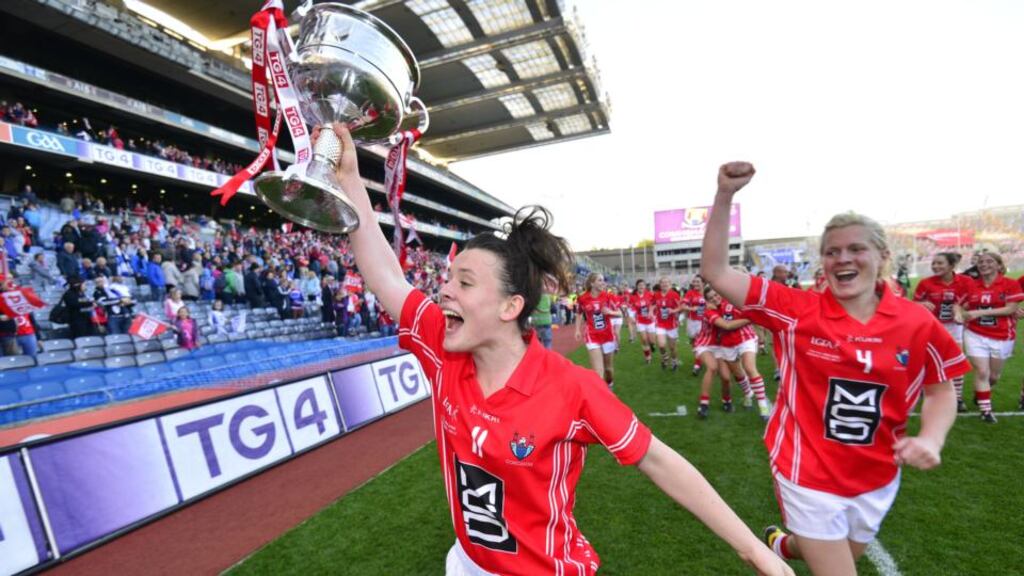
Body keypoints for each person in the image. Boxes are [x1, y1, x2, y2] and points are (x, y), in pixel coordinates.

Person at [321, 124, 791, 576]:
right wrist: (348, 179)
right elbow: (385, 274)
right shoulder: (443, 347)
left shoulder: (571, 388)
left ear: (511, 306)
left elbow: (659, 460)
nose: (443, 292)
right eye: (447, 279)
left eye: (463, 282)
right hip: (466, 564)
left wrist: (754, 550)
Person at [702, 161, 969, 576]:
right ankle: (795, 540)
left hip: (878, 474)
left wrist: (932, 438)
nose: (843, 258)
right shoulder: (795, 310)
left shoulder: (917, 322)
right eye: (832, 251)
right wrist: (724, 197)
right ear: (823, 263)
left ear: (882, 256)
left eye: (856, 249)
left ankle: (783, 544)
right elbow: (716, 272)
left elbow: (941, 389)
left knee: (848, 554)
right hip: (806, 471)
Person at [955, 250, 1022, 422]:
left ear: (999, 265)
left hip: (1002, 335)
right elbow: (958, 303)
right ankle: (986, 411)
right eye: (981, 262)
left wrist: (977, 312)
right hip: (975, 333)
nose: (984, 264)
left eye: (989, 261)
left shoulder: (1010, 284)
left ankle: (981, 393)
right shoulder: (971, 284)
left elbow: (1011, 309)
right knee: (982, 371)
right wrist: (958, 313)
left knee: (993, 376)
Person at [913, 252, 974, 411]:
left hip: (954, 327)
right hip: (931, 326)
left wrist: (960, 309)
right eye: (934, 263)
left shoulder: (966, 281)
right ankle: (922, 389)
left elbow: (972, 301)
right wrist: (922, 304)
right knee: (926, 360)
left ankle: (958, 398)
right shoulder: (925, 283)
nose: (935, 266)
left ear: (952, 266)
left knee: (956, 360)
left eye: (940, 263)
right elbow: (914, 304)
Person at [705, 287, 771, 420]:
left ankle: (763, 405)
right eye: (711, 297)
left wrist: (753, 317)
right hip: (726, 344)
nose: (715, 298)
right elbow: (726, 326)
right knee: (739, 375)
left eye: (716, 294)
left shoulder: (732, 301)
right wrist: (751, 319)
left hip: (746, 339)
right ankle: (748, 393)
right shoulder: (709, 311)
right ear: (707, 300)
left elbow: (751, 307)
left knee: (749, 368)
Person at [575, 273, 620, 386]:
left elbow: (620, 313)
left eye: (603, 280)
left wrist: (610, 312)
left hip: (607, 336)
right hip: (592, 336)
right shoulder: (582, 298)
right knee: (598, 374)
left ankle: (609, 385)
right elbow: (579, 313)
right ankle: (603, 395)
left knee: (608, 369)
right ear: (592, 283)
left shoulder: (608, 297)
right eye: (600, 280)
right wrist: (577, 330)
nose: (603, 282)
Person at [652, 276, 685, 370]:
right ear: (660, 284)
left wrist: (674, 311)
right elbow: (653, 304)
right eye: (662, 282)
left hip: (672, 325)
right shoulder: (656, 294)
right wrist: (651, 311)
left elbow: (681, 307)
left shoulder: (674, 294)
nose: (664, 284)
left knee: (672, 347)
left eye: (666, 282)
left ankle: (674, 361)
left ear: (670, 284)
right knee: (661, 345)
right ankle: (665, 357)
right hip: (660, 323)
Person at [680, 275, 707, 375]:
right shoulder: (690, 293)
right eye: (694, 282)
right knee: (693, 341)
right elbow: (683, 305)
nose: (695, 284)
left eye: (698, 282)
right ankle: (700, 358)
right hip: (692, 321)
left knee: (700, 342)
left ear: (703, 283)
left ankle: (697, 365)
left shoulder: (708, 292)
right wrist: (692, 309)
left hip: (705, 322)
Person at [630, 279, 656, 364]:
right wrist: (632, 317)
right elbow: (631, 308)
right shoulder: (633, 297)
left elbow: (655, 304)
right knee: (644, 340)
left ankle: (651, 345)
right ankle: (648, 357)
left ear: (645, 286)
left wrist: (651, 311)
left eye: (643, 285)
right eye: (639, 285)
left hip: (650, 321)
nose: (641, 286)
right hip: (640, 321)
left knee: (652, 341)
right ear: (637, 286)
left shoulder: (650, 294)